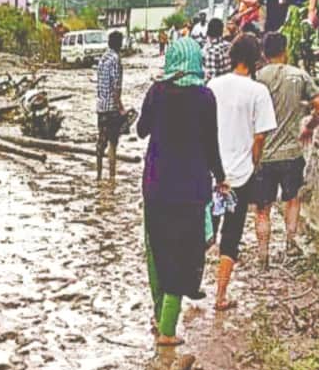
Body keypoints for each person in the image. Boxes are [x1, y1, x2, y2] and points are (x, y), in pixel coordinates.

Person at [138, 37, 226, 346]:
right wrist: (222, 178)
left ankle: (159, 314)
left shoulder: (157, 92)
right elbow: (211, 143)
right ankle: (167, 328)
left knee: (158, 251)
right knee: (182, 255)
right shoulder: (205, 97)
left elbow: (140, 130)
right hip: (191, 190)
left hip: (156, 187)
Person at [207, 34, 277, 310]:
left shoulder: (213, 85)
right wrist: (254, 161)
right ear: (255, 59)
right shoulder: (257, 92)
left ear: (232, 56)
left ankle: (187, 285)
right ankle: (220, 296)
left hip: (213, 173)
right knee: (232, 237)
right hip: (242, 174)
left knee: (206, 230)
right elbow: (260, 137)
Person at [251, 33, 319, 266]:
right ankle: (290, 244)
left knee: (263, 208)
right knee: (292, 200)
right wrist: (310, 126)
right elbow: (318, 103)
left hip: (264, 154)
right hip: (292, 152)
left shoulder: (257, 78)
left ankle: (263, 256)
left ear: (264, 53)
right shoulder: (299, 76)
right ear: (285, 50)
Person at [96, 30, 125, 181]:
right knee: (113, 144)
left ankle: (99, 177)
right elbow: (116, 86)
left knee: (101, 143)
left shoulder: (102, 59)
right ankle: (112, 179)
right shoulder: (115, 59)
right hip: (111, 108)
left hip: (100, 107)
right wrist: (121, 107)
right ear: (118, 44)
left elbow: (100, 86)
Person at [201, 18, 230, 82]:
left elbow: (211, 78)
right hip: (228, 84)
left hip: (216, 88)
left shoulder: (211, 51)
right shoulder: (229, 45)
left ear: (208, 30)